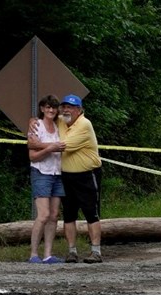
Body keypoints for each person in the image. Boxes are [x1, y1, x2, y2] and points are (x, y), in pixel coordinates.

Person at [55, 94, 104, 263]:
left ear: (79, 110)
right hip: (67, 175)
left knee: (91, 213)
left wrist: (40, 146)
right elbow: (44, 117)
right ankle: (72, 251)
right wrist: (34, 123)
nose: (67, 110)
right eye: (65, 107)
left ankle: (96, 251)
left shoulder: (84, 124)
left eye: (71, 107)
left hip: (87, 174)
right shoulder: (61, 120)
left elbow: (65, 146)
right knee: (68, 215)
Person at [26, 95, 65, 264]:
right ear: (42, 108)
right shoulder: (36, 126)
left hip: (57, 174)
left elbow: (75, 117)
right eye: (48, 107)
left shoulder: (59, 126)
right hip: (41, 173)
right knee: (43, 215)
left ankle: (48, 254)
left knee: (54, 215)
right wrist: (50, 148)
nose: (51, 110)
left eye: (54, 108)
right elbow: (33, 156)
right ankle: (33, 254)